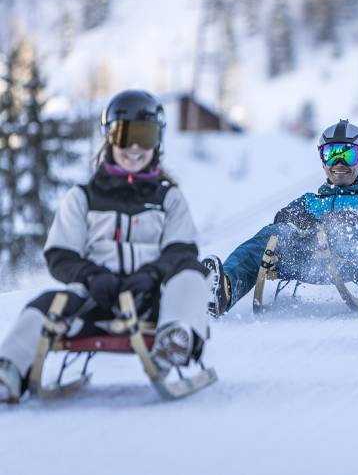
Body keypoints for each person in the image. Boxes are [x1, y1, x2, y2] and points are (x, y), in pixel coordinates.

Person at [0, 90, 211, 403]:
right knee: (46, 306)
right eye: (126, 137)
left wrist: (153, 274)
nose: (135, 148)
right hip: (95, 295)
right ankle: (9, 370)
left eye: (145, 136)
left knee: (193, 274)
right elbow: (61, 255)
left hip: (152, 297)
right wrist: (91, 276)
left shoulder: (169, 198)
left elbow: (181, 250)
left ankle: (174, 340)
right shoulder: (83, 198)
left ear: (158, 142)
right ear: (110, 139)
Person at [203, 120, 358, 317]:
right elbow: (283, 217)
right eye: (331, 155)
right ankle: (223, 290)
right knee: (273, 234)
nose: (339, 164)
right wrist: (303, 225)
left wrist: (338, 225)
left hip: (347, 261)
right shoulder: (309, 202)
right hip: (301, 260)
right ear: (323, 161)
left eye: (348, 155)